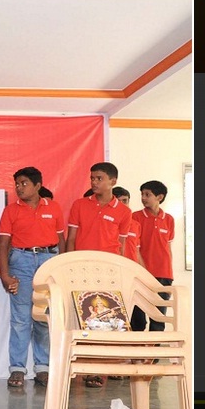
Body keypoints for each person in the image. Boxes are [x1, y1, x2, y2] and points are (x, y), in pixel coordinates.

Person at [0, 166, 65, 389]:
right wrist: (5, 274)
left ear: (38, 185)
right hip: (21, 261)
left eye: (24, 183)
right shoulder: (11, 211)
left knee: (43, 316)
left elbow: (61, 240)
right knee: (20, 318)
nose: (19, 187)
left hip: (49, 261)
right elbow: (3, 244)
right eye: (17, 184)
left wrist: (61, 269)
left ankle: (42, 368)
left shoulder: (53, 207)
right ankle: (17, 368)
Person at [65, 162, 132, 389]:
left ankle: (102, 369)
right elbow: (71, 239)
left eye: (99, 178)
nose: (94, 182)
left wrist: (120, 274)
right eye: (92, 178)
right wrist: (69, 266)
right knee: (81, 320)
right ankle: (81, 368)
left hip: (108, 274)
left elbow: (121, 246)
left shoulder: (124, 212)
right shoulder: (79, 205)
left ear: (113, 181)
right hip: (81, 271)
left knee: (105, 321)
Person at [130, 180, 174, 332]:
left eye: (147, 195)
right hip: (141, 274)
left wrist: (169, 274)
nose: (143, 198)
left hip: (163, 275)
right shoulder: (135, 217)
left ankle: (154, 349)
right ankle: (137, 348)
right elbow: (135, 247)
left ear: (159, 197)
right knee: (138, 320)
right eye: (142, 194)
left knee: (158, 319)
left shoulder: (169, 219)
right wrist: (142, 270)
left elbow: (168, 248)